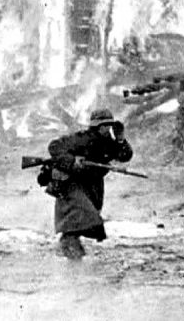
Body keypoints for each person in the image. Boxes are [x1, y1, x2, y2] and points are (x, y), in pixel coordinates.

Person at [47, 109, 133, 260]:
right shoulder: (81, 138)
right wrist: (72, 161)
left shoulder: (109, 143)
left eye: (109, 125)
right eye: (104, 125)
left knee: (88, 216)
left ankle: (71, 247)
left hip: (93, 185)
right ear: (96, 126)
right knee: (82, 215)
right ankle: (69, 247)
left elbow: (124, 156)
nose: (107, 129)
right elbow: (54, 147)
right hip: (73, 184)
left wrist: (120, 139)